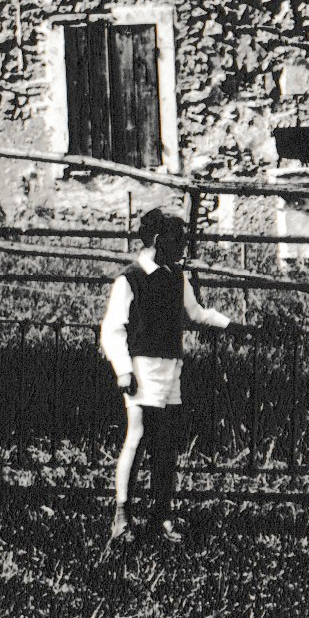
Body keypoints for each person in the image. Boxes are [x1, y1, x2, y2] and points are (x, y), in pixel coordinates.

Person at [99, 207, 232, 547]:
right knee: (138, 437)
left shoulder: (176, 277)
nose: (184, 247)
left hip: (170, 368)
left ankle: (161, 516)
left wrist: (230, 325)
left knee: (166, 444)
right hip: (141, 369)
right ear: (159, 241)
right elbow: (113, 329)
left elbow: (195, 313)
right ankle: (122, 515)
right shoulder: (130, 279)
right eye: (178, 240)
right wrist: (123, 370)